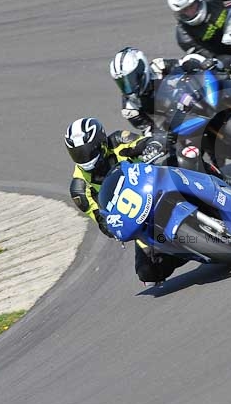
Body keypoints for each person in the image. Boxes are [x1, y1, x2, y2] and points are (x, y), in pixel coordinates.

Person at [108, 46, 231, 192]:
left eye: (130, 79)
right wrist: (156, 143)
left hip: (191, 100)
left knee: (216, 75)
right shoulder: (130, 108)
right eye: (123, 83)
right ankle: (227, 183)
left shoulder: (158, 67)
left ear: (141, 69)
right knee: (185, 159)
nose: (129, 86)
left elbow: (184, 63)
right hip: (176, 127)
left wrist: (198, 64)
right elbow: (148, 130)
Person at [64, 116, 188, 287]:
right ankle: (193, 251)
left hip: (156, 185)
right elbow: (102, 221)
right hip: (140, 217)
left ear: (100, 142)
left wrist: (153, 145)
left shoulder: (118, 140)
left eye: (87, 151)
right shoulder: (79, 188)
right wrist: (116, 228)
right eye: (77, 153)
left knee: (184, 156)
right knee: (147, 273)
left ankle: (225, 183)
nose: (84, 157)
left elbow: (143, 143)